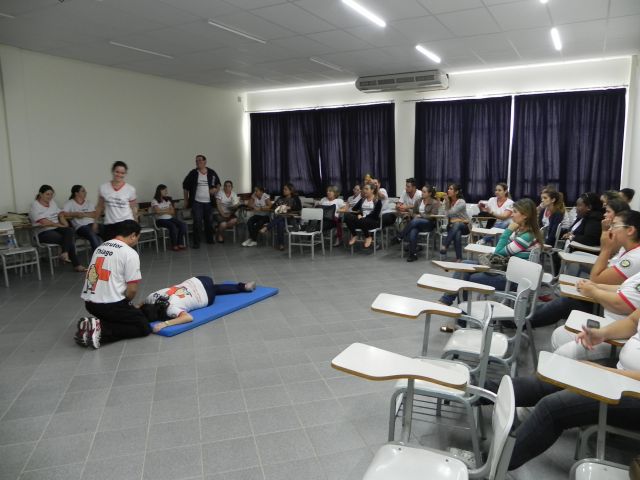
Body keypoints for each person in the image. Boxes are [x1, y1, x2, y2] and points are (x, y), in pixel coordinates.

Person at [497, 308, 640, 471]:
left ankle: (494, 467)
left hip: (633, 392)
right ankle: (477, 389)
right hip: (620, 373)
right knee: (551, 378)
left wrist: (603, 371)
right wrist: (602, 333)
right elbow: (633, 321)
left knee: (552, 409)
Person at [438, 198, 543, 310]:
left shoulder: (526, 237)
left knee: (464, 277)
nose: (512, 215)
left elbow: (498, 253)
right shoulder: (522, 232)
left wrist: (508, 231)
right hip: (508, 271)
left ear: (525, 215)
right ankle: (450, 304)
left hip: (511, 279)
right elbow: (501, 250)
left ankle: (454, 308)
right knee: (464, 265)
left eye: (515, 212)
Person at [76, 220, 149, 349]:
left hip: (90, 304)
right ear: (133, 235)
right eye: (138, 237)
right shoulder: (129, 253)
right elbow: (132, 290)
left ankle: (92, 325)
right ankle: (100, 332)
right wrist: (126, 303)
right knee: (142, 326)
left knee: (122, 317)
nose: (137, 241)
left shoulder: (101, 247)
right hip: (109, 305)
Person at [140, 276, 257, 333]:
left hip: (206, 297)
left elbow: (188, 317)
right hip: (200, 279)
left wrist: (165, 324)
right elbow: (140, 304)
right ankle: (243, 286)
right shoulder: (151, 297)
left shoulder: (170, 310)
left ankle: (243, 287)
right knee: (214, 287)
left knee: (213, 289)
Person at [30, 185, 86, 272]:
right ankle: (76, 264)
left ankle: (65, 253)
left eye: (51, 194)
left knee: (70, 230)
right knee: (67, 239)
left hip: (55, 228)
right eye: (47, 194)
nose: (50, 196)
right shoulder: (35, 205)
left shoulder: (52, 202)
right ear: (41, 194)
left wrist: (64, 222)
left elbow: (60, 213)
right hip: (43, 232)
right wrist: (60, 225)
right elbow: (44, 222)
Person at [182, 154, 221, 248]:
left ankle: (209, 239)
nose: (198, 162)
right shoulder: (193, 173)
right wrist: (186, 200)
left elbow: (218, 184)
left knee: (209, 221)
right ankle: (196, 242)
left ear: (205, 161)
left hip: (209, 203)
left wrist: (216, 190)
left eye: (199, 160)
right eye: (196, 161)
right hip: (197, 202)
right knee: (197, 222)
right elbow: (185, 187)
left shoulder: (211, 172)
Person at [392, 185, 439, 262]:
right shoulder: (418, 201)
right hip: (417, 223)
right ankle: (413, 254)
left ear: (429, 193)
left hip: (428, 224)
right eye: (422, 191)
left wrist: (421, 215)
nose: (422, 193)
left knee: (415, 221)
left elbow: (433, 216)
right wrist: (415, 215)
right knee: (413, 231)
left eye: (424, 192)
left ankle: (400, 236)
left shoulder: (434, 202)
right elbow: (414, 213)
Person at [95, 161, 137, 240]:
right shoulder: (103, 188)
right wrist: (95, 222)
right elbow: (99, 206)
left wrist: (136, 222)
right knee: (111, 246)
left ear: (125, 174)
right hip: (110, 224)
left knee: (124, 247)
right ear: (112, 171)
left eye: (122, 173)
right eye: (117, 172)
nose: (119, 175)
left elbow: (133, 208)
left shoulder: (130, 189)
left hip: (126, 224)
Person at [259, 183, 301, 251]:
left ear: (291, 190)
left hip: (291, 219)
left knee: (281, 218)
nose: (283, 190)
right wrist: (278, 207)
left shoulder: (295, 198)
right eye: (283, 189)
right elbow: (273, 207)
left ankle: (267, 228)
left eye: (286, 189)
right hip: (281, 218)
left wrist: (289, 207)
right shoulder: (281, 198)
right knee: (280, 222)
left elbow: (299, 208)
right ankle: (281, 245)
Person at [63, 185, 102, 252]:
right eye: (83, 191)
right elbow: (63, 214)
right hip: (81, 227)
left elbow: (95, 214)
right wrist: (75, 214)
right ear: (76, 193)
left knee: (107, 230)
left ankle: (112, 253)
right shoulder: (69, 203)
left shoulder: (88, 202)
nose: (86, 192)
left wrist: (84, 214)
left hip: (92, 224)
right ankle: (98, 255)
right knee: (92, 234)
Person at [344, 183, 382, 250]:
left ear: (372, 190)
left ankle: (368, 236)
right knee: (347, 216)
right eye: (364, 189)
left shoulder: (377, 201)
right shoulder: (362, 200)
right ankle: (354, 235)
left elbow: (375, 215)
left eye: (367, 189)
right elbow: (354, 209)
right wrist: (359, 214)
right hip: (361, 221)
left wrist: (363, 216)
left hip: (373, 221)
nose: (364, 190)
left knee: (362, 220)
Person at [151, 184, 187, 251]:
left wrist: (162, 210)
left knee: (183, 225)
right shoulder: (154, 200)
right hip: (160, 220)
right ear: (160, 191)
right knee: (172, 226)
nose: (166, 192)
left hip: (170, 218)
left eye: (166, 190)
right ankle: (174, 245)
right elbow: (158, 212)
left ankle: (180, 243)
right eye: (165, 190)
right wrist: (167, 210)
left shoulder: (167, 200)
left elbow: (172, 212)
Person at [439, 183, 470, 261]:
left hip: (465, 226)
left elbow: (451, 213)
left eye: (451, 189)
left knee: (457, 224)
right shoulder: (447, 201)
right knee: (457, 232)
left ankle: (445, 245)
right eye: (448, 189)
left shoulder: (461, 202)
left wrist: (447, 204)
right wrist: (445, 203)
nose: (448, 190)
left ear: (456, 192)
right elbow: (444, 214)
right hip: (451, 226)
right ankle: (459, 258)